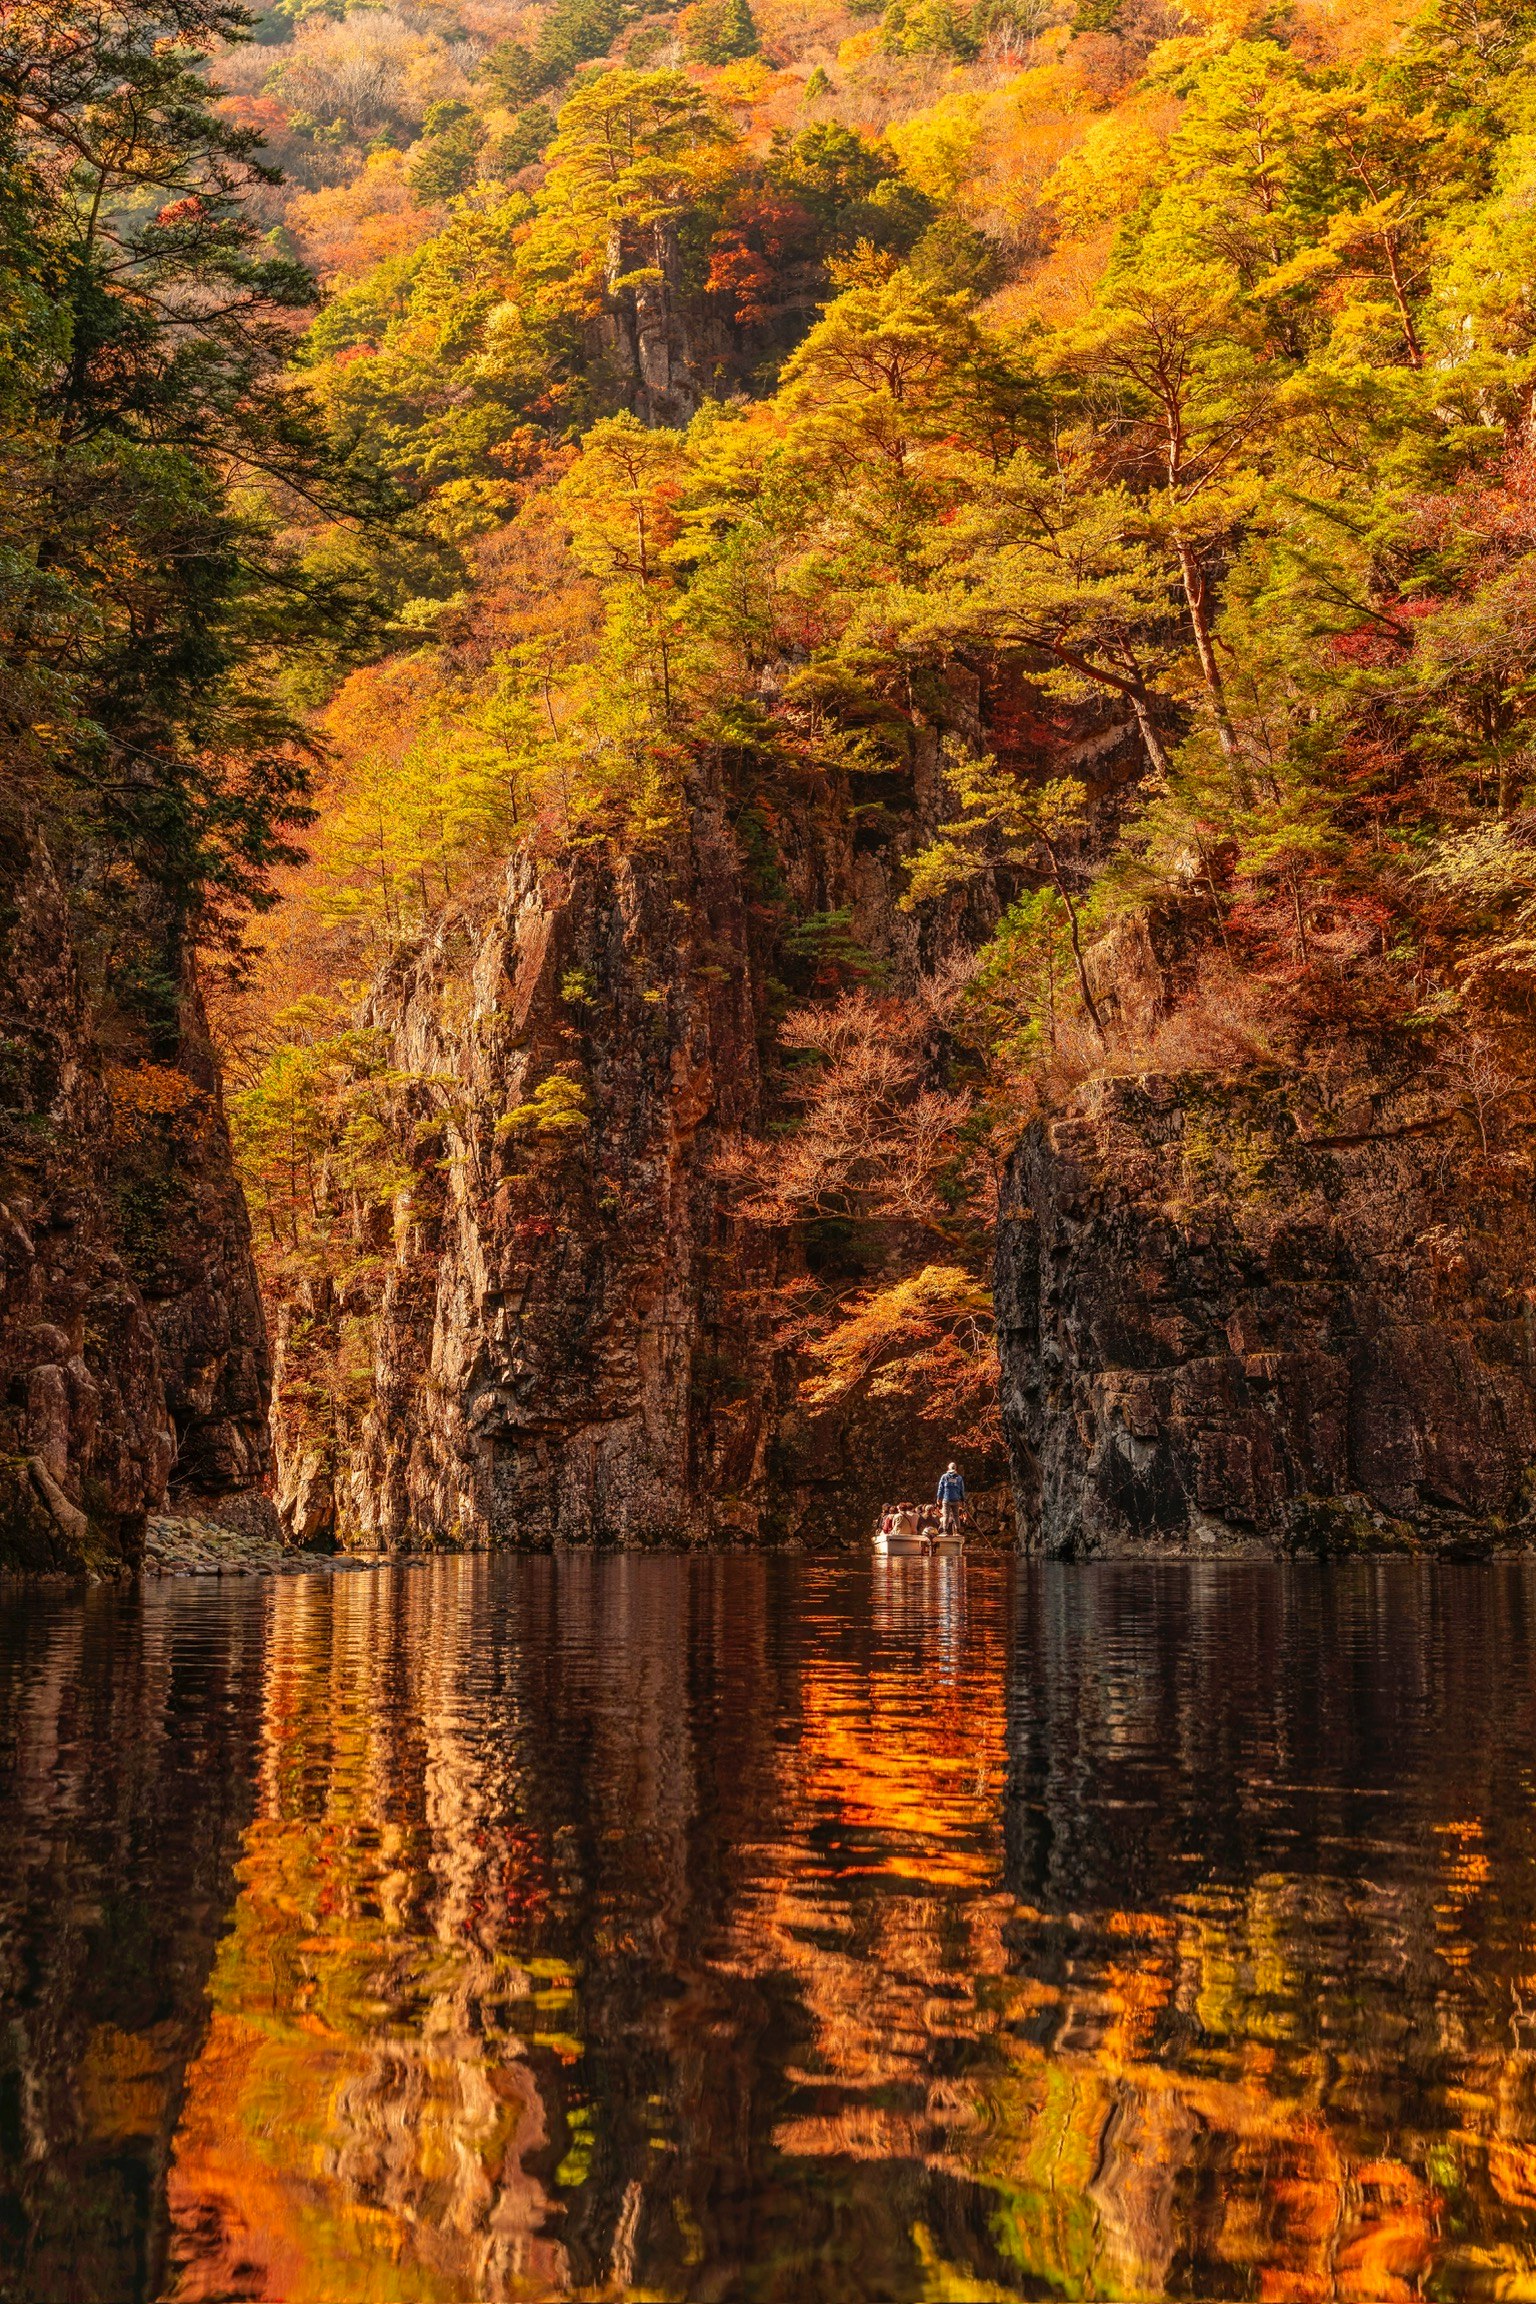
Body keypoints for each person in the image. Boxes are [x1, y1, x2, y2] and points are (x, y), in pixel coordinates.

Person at [937, 1463, 965, 1535]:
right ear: (955, 1468)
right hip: (956, 1499)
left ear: (948, 1468)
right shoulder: (959, 1478)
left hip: (946, 1499)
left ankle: (945, 1530)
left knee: (946, 1515)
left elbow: (941, 1488)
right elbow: (962, 1489)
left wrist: (939, 1498)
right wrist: (963, 1500)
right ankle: (957, 1530)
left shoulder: (944, 1477)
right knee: (956, 1516)